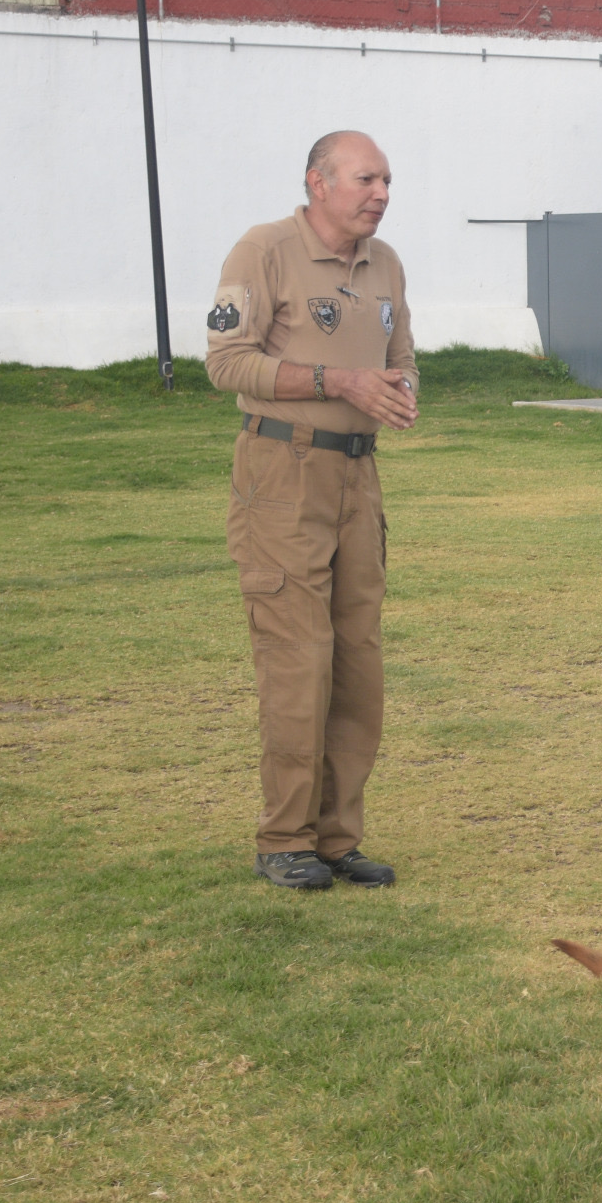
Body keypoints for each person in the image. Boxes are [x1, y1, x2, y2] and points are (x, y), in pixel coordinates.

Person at [205, 130, 420, 890]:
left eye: (388, 181)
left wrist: (399, 391)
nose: (382, 194)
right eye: (367, 179)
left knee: (358, 662)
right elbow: (225, 362)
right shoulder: (262, 251)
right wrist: (340, 383)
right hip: (283, 475)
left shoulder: (386, 262)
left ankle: (336, 837)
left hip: (358, 483)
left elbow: (400, 359)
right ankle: (283, 840)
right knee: (300, 661)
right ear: (317, 182)